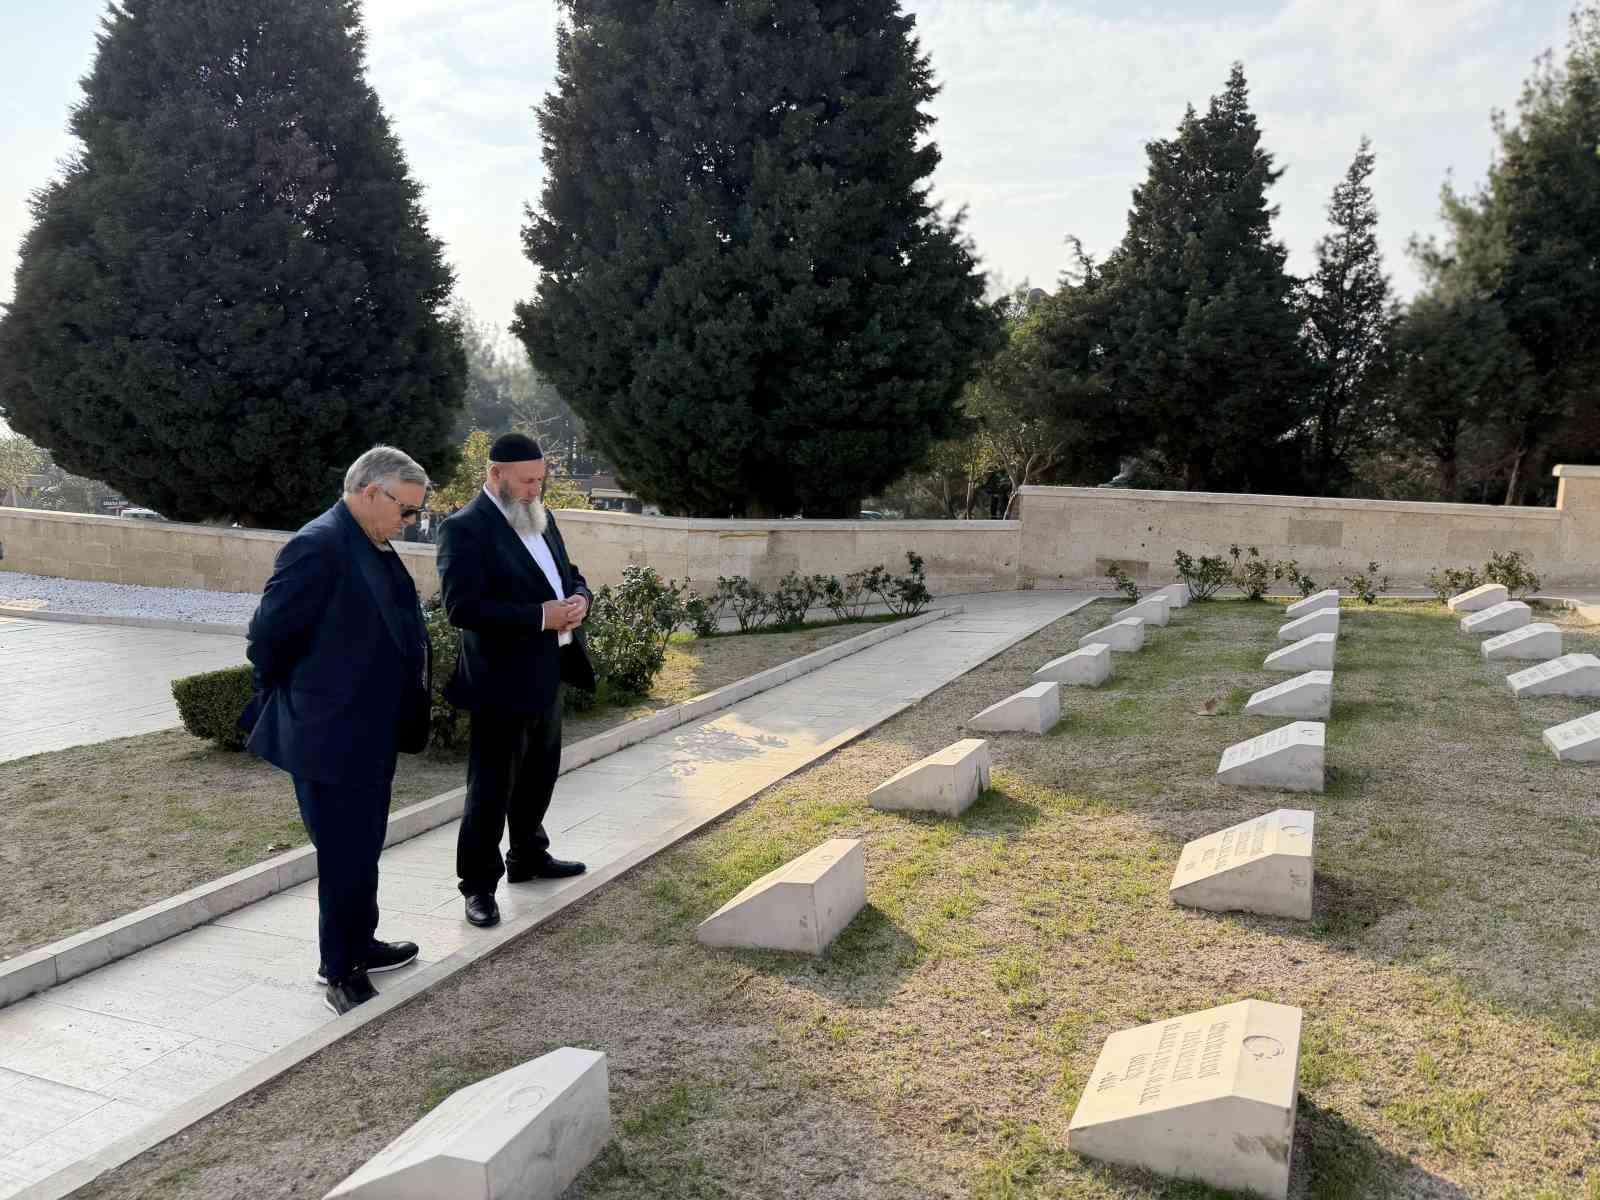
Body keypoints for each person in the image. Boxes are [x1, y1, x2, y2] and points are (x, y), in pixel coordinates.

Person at [242, 446, 433, 1014]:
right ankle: (341, 967)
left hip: (370, 731)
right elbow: (268, 639)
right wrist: (306, 700)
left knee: (363, 846)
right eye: (406, 511)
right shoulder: (317, 545)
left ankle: (362, 942)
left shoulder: (372, 542)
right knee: (344, 851)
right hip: (330, 732)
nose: (411, 523)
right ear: (370, 491)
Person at [436, 432, 595, 929]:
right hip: (499, 682)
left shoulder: (542, 518)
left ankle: (528, 856)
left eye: (540, 480)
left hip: (549, 672)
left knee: (539, 775)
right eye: (526, 481)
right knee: (490, 789)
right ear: (496, 475)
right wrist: (539, 617)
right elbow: (461, 607)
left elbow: (569, 574)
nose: (534, 489)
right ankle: (478, 887)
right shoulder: (464, 528)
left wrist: (580, 599)